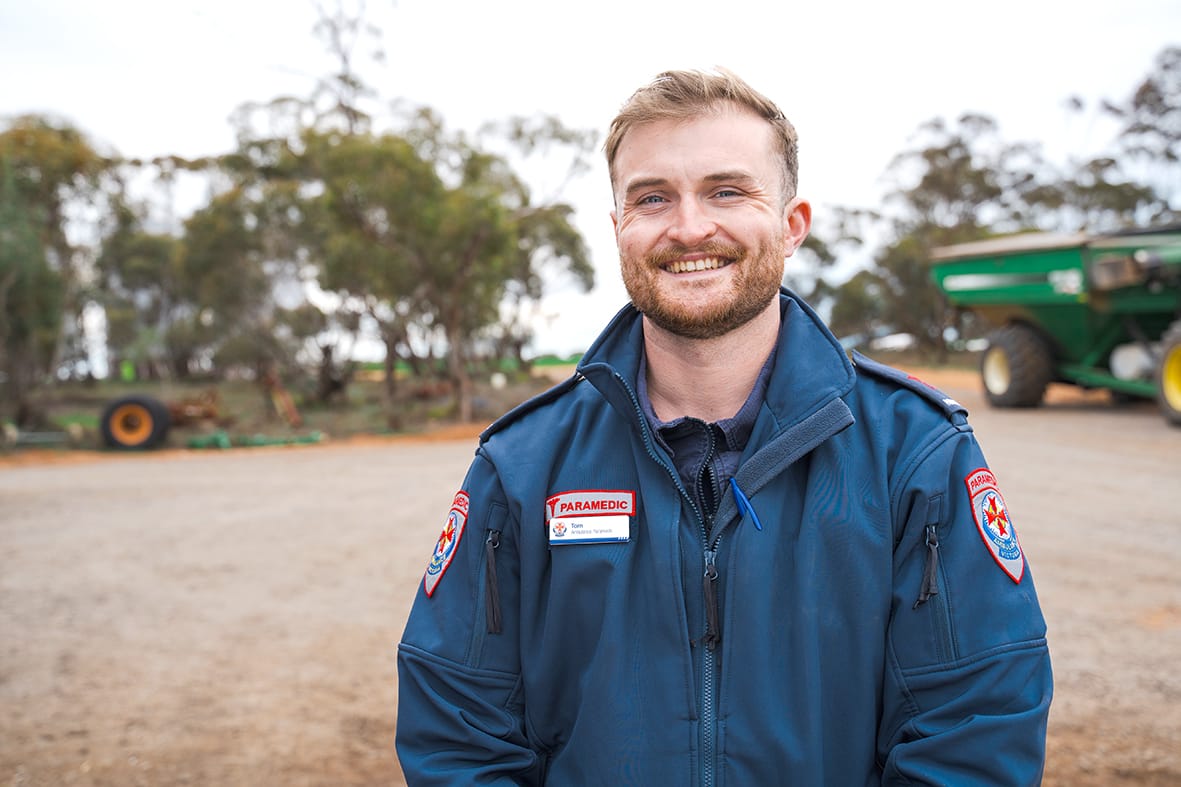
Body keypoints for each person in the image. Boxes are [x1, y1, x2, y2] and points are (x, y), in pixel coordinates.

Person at [396, 68, 1053, 785]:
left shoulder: (916, 451)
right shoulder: (521, 464)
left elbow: (975, 727)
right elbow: (458, 732)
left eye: (726, 191)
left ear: (791, 224)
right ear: (618, 229)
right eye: (652, 198)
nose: (688, 227)